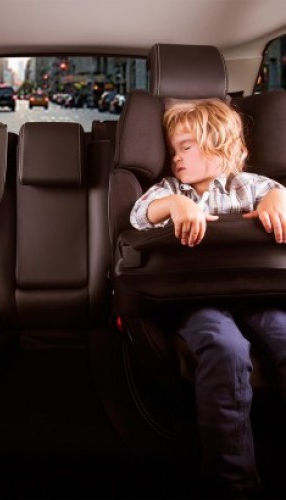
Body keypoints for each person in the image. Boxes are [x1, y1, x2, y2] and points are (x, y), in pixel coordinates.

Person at [130, 99, 286, 497]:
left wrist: (277, 201)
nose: (176, 158)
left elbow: (280, 195)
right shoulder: (171, 189)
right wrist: (176, 205)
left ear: (220, 146)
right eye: (172, 151)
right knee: (224, 347)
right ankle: (232, 479)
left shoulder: (252, 186)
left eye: (186, 147)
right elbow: (139, 215)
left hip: (258, 295)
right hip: (197, 299)